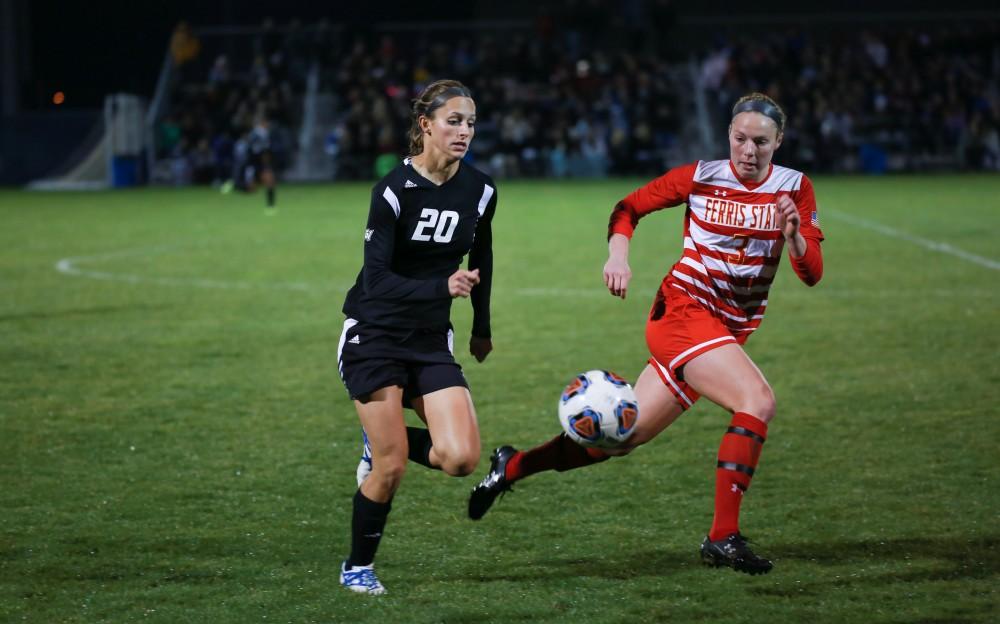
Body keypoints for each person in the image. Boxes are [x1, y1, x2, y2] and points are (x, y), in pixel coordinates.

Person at [468, 92, 824, 575]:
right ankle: (723, 537)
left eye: (760, 141)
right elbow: (627, 207)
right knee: (757, 401)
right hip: (682, 312)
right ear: (729, 136)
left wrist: (795, 236)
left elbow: (811, 272)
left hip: (724, 330)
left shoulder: (794, 189)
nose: (748, 150)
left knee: (622, 437)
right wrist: (618, 255)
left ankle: (511, 466)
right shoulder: (701, 176)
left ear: (778, 141)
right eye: (739, 138)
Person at [337, 79, 498, 594]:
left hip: (429, 336)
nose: (465, 131)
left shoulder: (481, 189)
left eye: (471, 122)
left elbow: (484, 258)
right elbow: (377, 278)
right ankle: (357, 567)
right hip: (375, 332)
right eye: (454, 121)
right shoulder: (391, 189)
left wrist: (481, 327)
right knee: (389, 467)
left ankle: (385, 438)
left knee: (461, 459)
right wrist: (441, 285)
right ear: (426, 126)